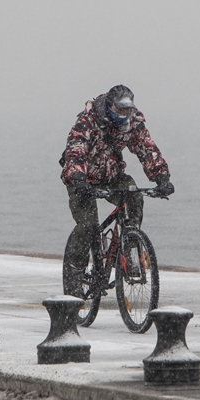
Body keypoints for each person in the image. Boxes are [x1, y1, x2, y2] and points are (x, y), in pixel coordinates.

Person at [59, 85, 174, 297]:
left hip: (111, 175)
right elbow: (75, 151)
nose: (124, 115)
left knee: (134, 196)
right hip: (82, 179)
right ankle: (74, 276)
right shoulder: (88, 121)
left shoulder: (134, 123)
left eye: (127, 110)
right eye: (119, 110)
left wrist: (162, 177)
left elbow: (147, 149)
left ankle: (130, 246)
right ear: (110, 106)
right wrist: (78, 179)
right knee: (88, 226)